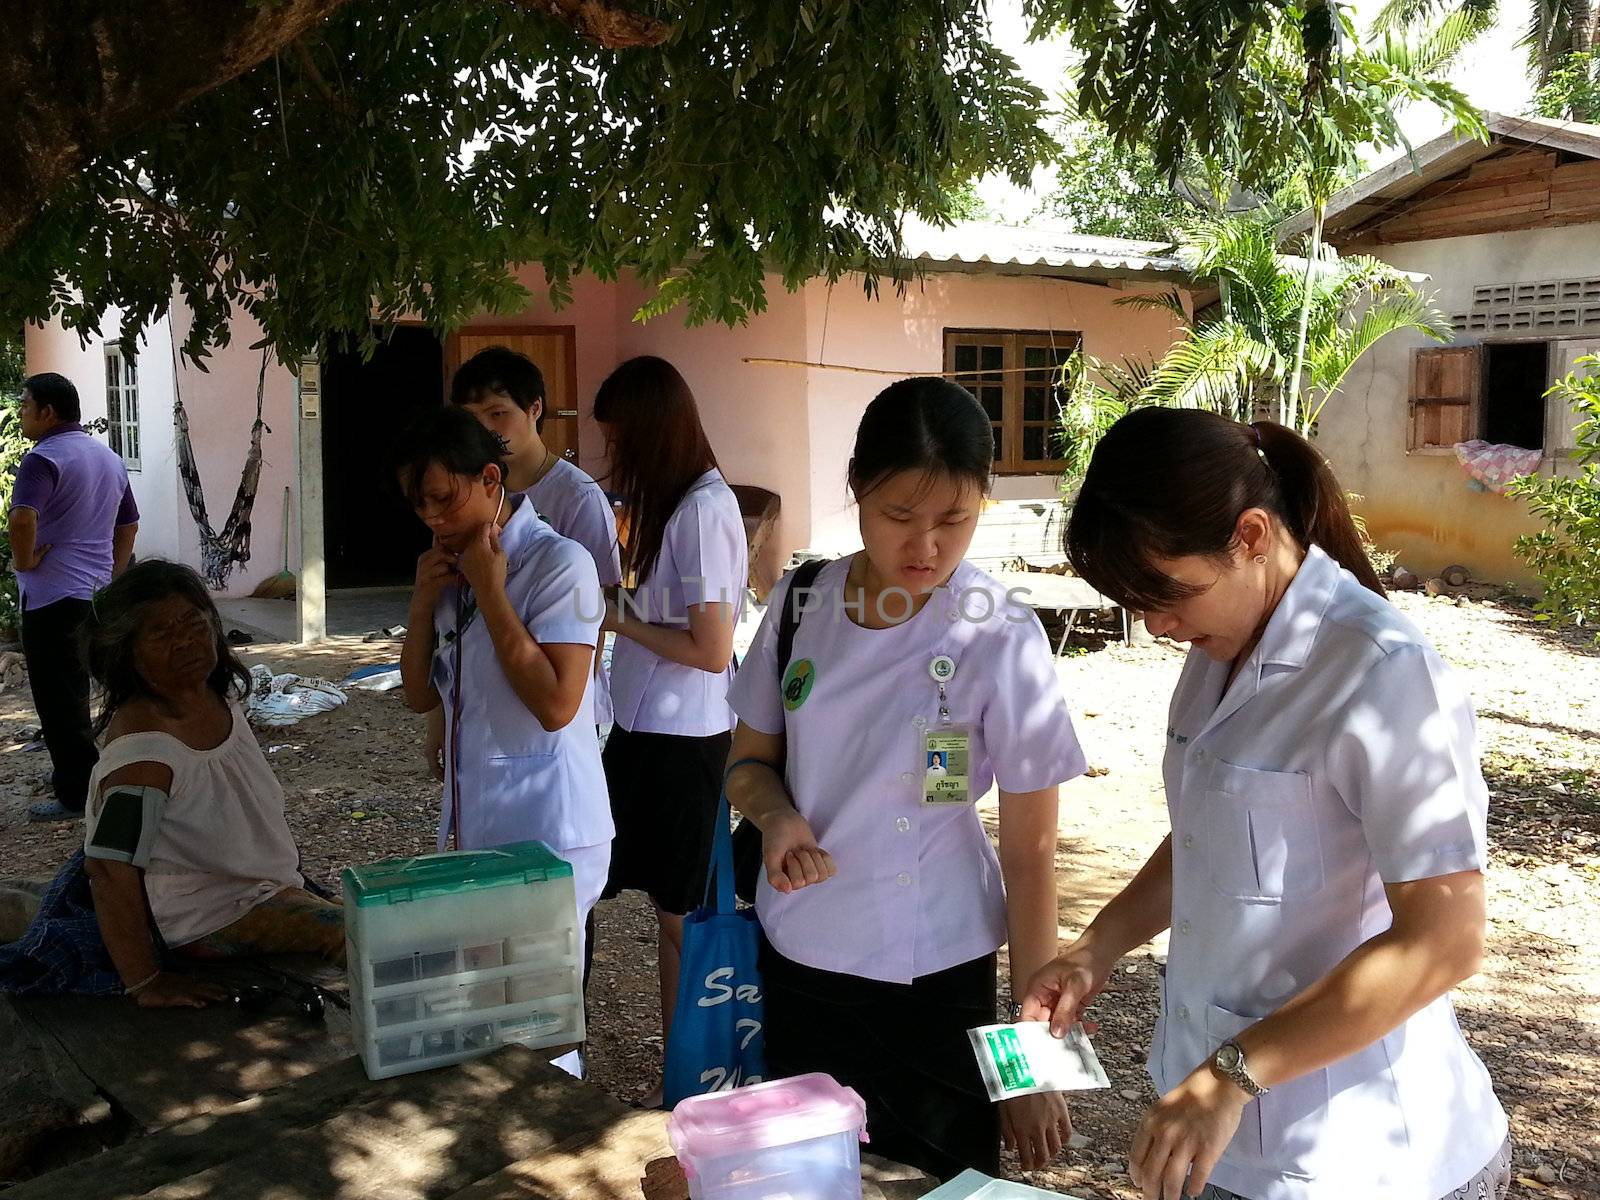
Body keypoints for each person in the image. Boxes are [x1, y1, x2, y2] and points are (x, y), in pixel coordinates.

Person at [1023, 409, 1510, 1200]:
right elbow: (1210, 836)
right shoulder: (1219, 650)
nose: (1157, 623)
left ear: (1250, 535)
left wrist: (1234, 1072)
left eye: (1170, 594)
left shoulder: (1382, 673)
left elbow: (1446, 939)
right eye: (1138, 601)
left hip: (1370, 1157)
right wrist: (1097, 946)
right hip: (1230, 1132)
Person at [724, 378, 1087, 1181]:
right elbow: (747, 765)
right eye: (898, 517)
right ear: (857, 488)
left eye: (953, 520)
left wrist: (1029, 1065)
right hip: (803, 958)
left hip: (936, 972)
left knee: (942, 1184)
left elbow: (1030, 859)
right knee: (809, 1181)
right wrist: (777, 818)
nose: (925, 546)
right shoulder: (801, 601)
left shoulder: (1000, 631)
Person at [395, 408, 611, 1072]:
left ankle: (558, 1150)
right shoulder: (449, 569)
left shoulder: (560, 564)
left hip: (550, 823)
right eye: (420, 506)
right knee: (483, 1014)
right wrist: (419, 605)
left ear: (491, 479)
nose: (434, 518)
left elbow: (555, 703)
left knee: (539, 1026)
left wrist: (492, 593)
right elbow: (419, 695)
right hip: (477, 821)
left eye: (445, 498)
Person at [80, 561, 342, 1007]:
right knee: (355, 931)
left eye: (192, 622)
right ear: (127, 653)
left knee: (374, 909)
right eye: (160, 633)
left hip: (252, 887)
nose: (184, 640)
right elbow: (108, 869)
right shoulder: (146, 757)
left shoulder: (214, 693)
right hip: (206, 915)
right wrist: (146, 981)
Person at [593, 356, 747, 1101]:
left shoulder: (702, 511)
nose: (615, 457)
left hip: (686, 744)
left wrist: (620, 619)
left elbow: (711, 648)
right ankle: (679, 1075)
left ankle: (693, 1083)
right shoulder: (673, 505)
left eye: (622, 441)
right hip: (645, 733)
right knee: (662, 912)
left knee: (685, 920)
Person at [444, 345, 622, 759]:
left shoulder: (576, 495)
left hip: (559, 690)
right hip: (487, 687)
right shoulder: (473, 491)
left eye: (498, 413)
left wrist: (578, 695)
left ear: (535, 408)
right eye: (474, 420)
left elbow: (597, 606)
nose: (488, 430)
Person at [9, 372, 139, 822]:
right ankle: (99, 777)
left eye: (25, 404)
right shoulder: (107, 457)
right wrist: (112, 576)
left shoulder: (43, 459)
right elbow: (128, 526)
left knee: (59, 698)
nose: (21, 411)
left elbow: (23, 517)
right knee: (84, 688)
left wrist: (24, 562)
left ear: (48, 411)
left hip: (51, 597)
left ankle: (77, 795)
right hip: (92, 594)